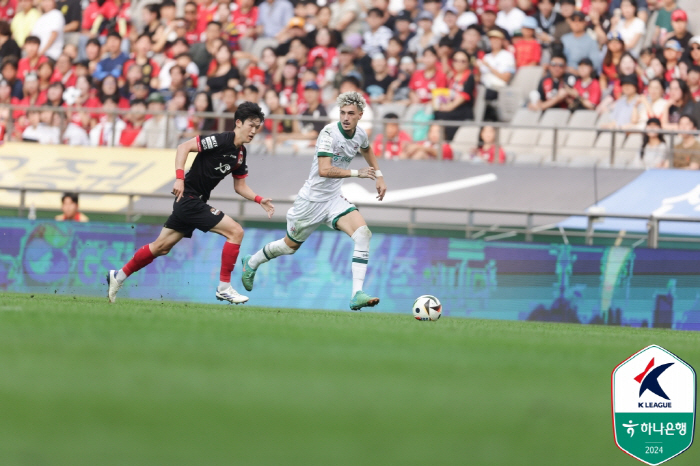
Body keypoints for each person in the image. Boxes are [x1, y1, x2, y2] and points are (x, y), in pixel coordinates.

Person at [107, 102, 271, 305]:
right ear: (238, 123)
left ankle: (119, 276)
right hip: (189, 199)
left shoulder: (240, 153)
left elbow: (240, 186)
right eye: (251, 125)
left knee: (161, 247)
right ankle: (224, 287)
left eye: (257, 127)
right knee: (236, 231)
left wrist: (258, 199)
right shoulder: (220, 140)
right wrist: (179, 178)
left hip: (192, 202)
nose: (254, 131)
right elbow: (184, 146)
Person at [240, 91, 386, 311]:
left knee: (363, 234)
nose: (345, 118)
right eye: (342, 113)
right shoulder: (329, 133)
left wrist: (380, 174)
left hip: (334, 199)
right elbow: (325, 170)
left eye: (350, 114)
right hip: (311, 201)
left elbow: (366, 149)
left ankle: (356, 294)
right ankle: (252, 262)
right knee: (289, 247)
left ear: (360, 115)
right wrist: (359, 173)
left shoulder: (360, 134)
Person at [434, 48, 476, 141]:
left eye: (463, 61)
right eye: (456, 60)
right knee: (436, 112)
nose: (459, 63)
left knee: (443, 115)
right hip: (450, 106)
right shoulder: (452, 76)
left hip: (462, 109)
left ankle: (446, 142)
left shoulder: (469, 77)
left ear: (468, 63)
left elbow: (464, 96)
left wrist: (449, 107)